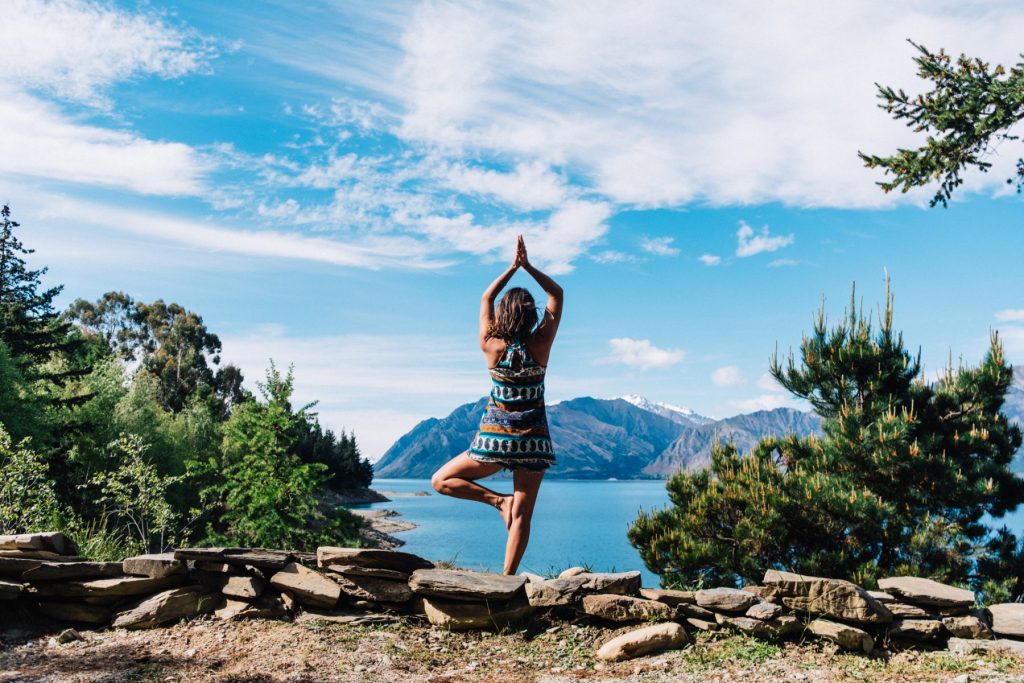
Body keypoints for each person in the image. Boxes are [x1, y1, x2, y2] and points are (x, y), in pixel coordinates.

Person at [430, 235, 563, 575]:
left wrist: (512, 267)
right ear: (531, 314)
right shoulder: (541, 343)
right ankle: (506, 580)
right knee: (523, 514)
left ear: (503, 313)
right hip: (533, 441)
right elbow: (557, 294)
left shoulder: (491, 344)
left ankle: (496, 501)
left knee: (440, 481)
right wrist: (529, 267)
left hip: (495, 440)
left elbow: (486, 296)